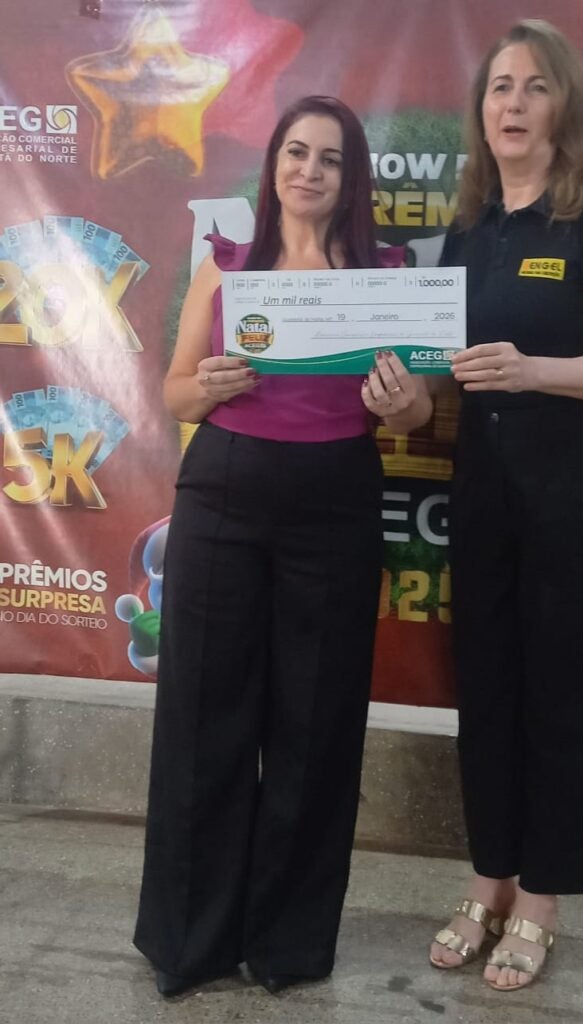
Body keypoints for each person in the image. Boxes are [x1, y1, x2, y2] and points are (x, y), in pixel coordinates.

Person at [133, 95, 420, 998]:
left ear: (350, 178)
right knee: (202, 716)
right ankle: (190, 941)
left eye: (329, 158)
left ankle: (287, 944)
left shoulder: (387, 275)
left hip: (336, 500)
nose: (309, 170)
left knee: (316, 722)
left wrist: (402, 403)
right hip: (223, 492)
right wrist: (209, 384)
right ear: (273, 166)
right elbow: (176, 394)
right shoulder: (227, 268)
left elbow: (415, 412)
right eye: (296, 152)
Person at [416, 20, 583, 991]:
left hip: (573, 494)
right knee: (487, 688)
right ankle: (489, 878)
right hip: (481, 487)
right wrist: (403, 392)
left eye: (534, 86)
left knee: (560, 696)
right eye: (499, 87)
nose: (512, 103)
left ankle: (542, 898)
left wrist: (531, 370)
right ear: (481, 112)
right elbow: (438, 370)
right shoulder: (468, 230)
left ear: (564, 107)